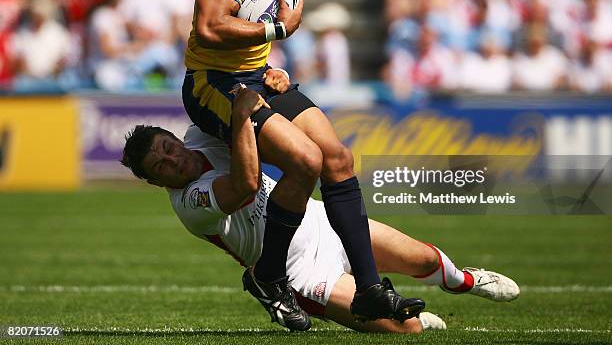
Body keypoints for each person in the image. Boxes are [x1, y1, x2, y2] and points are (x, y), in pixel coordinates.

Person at [183, 0, 421, 330]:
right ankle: (270, 275)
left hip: (257, 76)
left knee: (337, 157)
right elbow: (210, 27)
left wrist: (271, 60)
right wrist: (278, 33)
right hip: (213, 86)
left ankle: (369, 289)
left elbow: (262, 13)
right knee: (305, 161)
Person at [120, 87, 521, 333]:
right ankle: (402, 316)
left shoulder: (201, 133)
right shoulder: (190, 204)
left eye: (169, 150)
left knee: (421, 258)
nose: (174, 162)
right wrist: (244, 113)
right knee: (410, 330)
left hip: (318, 221)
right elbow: (244, 185)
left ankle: (464, 280)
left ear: (175, 138)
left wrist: (271, 84)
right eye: (162, 167)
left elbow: (236, 89)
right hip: (300, 273)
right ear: (157, 183)